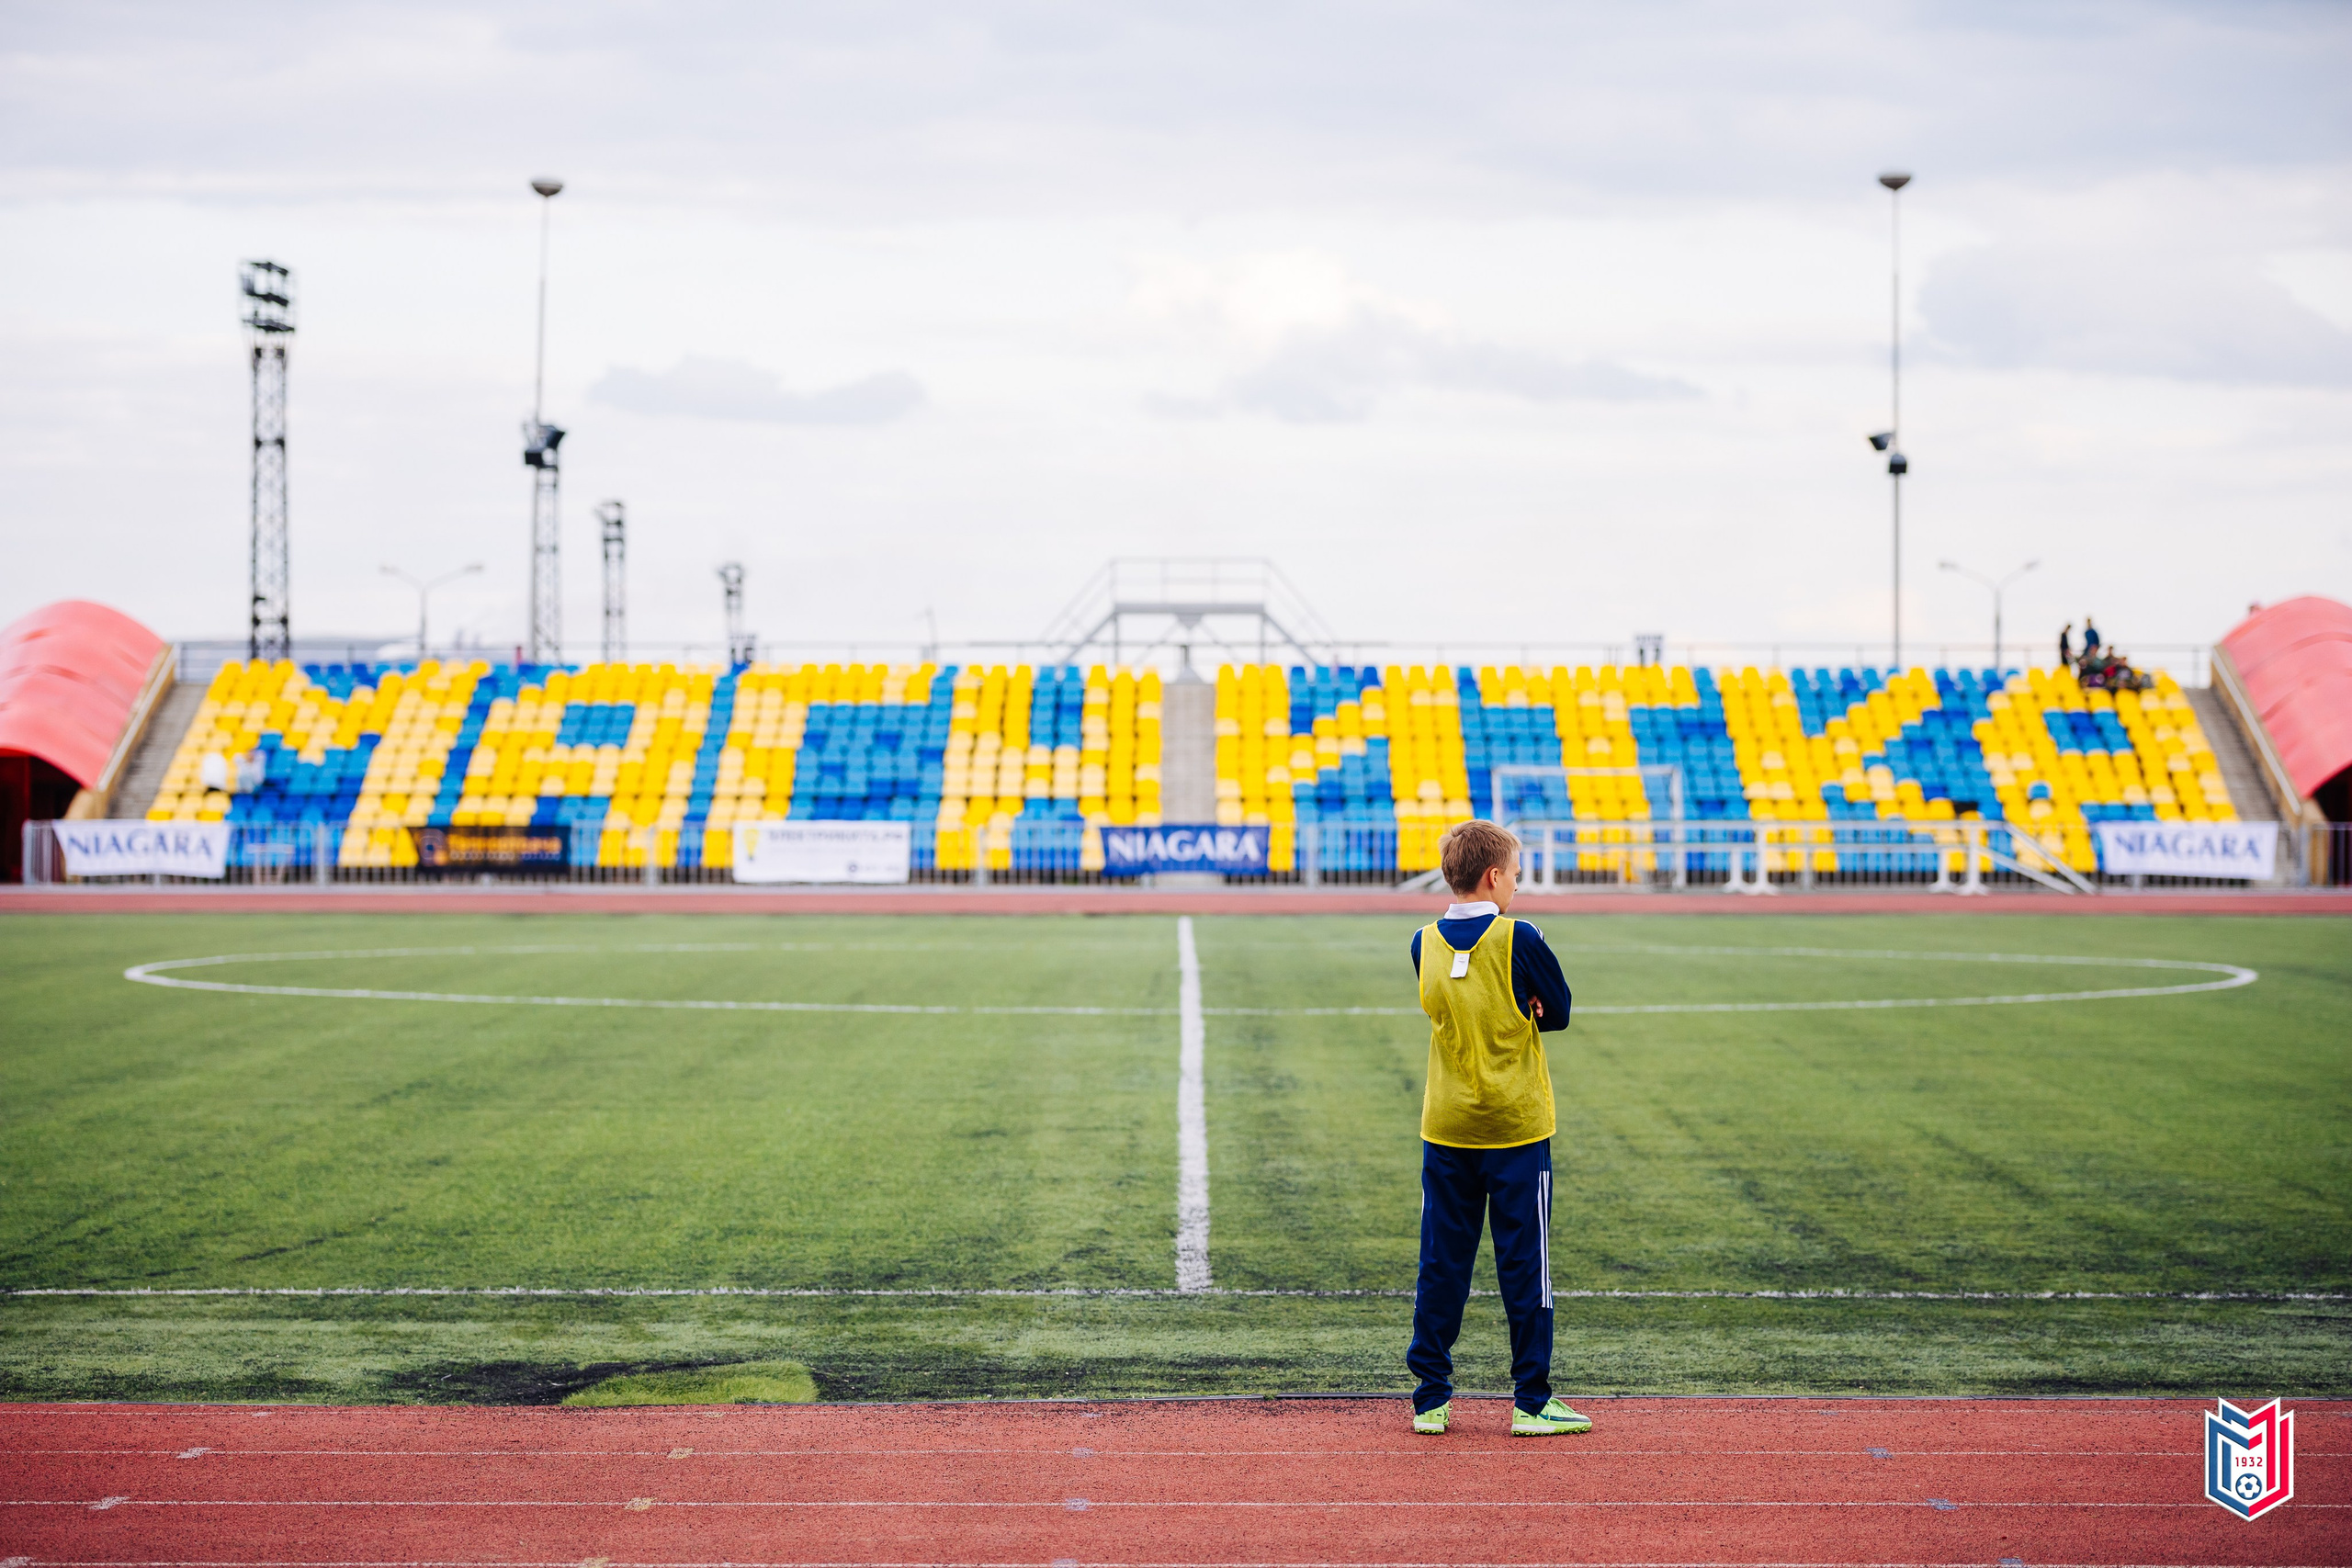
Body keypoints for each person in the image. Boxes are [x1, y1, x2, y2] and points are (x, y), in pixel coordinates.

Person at [1405, 818, 1588, 1437]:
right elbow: (1557, 1010)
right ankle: (1531, 1401)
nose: (1517, 882)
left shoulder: (1421, 939)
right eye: (1515, 872)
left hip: (1447, 1124)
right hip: (1514, 1127)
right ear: (1493, 875)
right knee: (1525, 1264)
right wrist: (1529, 1002)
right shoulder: (1521, 935)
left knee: (1442, 1260)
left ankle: (1430, 1397)